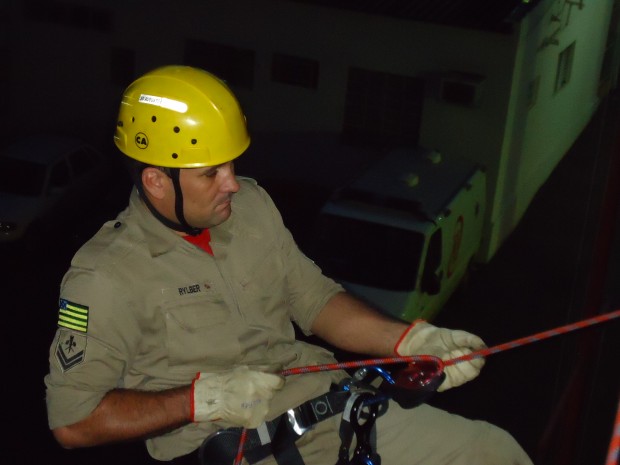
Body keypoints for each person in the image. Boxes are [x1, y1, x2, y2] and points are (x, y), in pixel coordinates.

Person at [44, 65, 533, 465]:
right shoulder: (104, 277)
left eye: (231, 164)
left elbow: (315, 300)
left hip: (332, 411)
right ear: (155, 181)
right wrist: (202, 399)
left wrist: (412, 341)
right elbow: (73, 422)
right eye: (212, 173)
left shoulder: (251, 208)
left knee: (492, 452)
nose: (232, 183)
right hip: (239, 449)